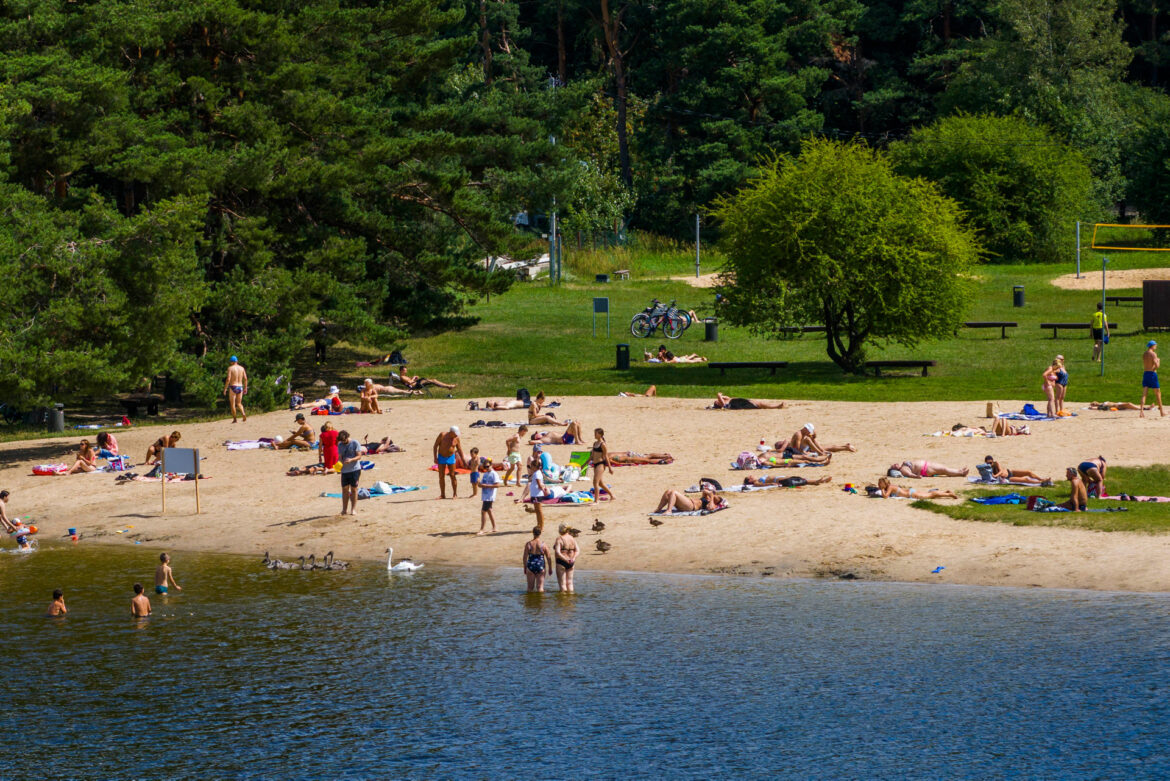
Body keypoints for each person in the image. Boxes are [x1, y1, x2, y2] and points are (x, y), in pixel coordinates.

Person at [779, 423, 856, 456]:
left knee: (826, 445)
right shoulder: (798, 435)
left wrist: (814, 436)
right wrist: (806, 452)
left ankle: (845, 447)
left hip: (806, 449)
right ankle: (821, 451)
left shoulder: (803, 434)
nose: (809, 432)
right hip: (801, 450)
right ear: (805, 429)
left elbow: (812, 440)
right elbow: (797, 449)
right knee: (810, 440)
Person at [433, 426, 464, 499]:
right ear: (451, 432)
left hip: (451, 457)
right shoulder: (442, 435)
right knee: (441, 476)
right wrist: (435, 457)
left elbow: (459, 449)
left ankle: (455, 494)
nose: (456, 435)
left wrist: (463, 459)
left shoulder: (456, 438)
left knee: (452, 475)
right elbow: (435, 446)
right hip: (441, 457)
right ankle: (442, 494)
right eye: (455, 434)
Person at [337, 430, 362, 514]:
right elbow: (340, 457)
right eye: (341, 441)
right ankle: (344, 509)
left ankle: (353, 509)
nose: (343, 442)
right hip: (345, 470)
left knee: (354, 489)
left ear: (347, 437)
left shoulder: (355, 443)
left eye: (344, 440)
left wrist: (351, 460)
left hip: (354, 469)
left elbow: (359, 456)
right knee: (344, 489)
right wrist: (338, 466)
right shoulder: (340, 445)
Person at [983, 456, 1052, 486]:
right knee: (1025, 479)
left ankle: (1041, 479)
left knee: (1028, 472)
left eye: (991, 462)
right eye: (988, 463)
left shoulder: (996, 463)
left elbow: (1001, 470)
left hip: (1010, 472)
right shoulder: (987, 468)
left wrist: (995, 475)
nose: (990, 464)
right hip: (1008, 478)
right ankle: (1040, 482)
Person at [654, 485, 725, 513]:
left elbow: (710, 507)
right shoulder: (707, 497)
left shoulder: (713, 502)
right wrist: (709, 494)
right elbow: (704, 491)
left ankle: (669, 510)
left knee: (673, 492)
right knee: (668, 491)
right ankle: (659, 508)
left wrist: (711, 498)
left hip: (691, 506)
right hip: (688, 503)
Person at [523, 526, 553, 593]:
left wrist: (525, 568)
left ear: (533, 533)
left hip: (531, 566)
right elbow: (548, 557)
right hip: (541, 566)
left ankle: (529, 603)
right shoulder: (543, 544)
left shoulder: (528, 544)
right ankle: (540, 603)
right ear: (540, 533)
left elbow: (525, 557)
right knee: (540, 588)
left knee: (530, 589)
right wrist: (550, 568)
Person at [589, 428, 615, 501]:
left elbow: (606, 456)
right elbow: (592, 456)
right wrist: (584, 464)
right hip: (595, 464)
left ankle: (596, 501)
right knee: (600, 483)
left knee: (595, 482)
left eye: (596, 433)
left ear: (600, 434)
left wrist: (610, 468)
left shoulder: (603, 444)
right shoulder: (595, 443)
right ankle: (612, 495)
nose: (594, 435)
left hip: (601, 464)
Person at [1140, 340, 1164, 418]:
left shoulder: (1144, 354)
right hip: (1152, 374)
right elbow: (1156, 366)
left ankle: (1141, 412)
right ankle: (1162, 412)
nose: (1156, 347)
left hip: (1146, 373)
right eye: (1155, 345)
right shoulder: (1153, 354)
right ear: (1153, 346)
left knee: (1144, 394)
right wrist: (1158, 361)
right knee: (1158, 393)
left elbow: (1147, 365)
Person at [875, 477, 957, 499]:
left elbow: (885, 497)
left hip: (911, 494)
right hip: (911, 491)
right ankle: (945, 491)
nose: (879, 485)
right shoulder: (891, 486)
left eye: (880, 484)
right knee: (929, 494)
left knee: (931, 495)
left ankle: (949, 494)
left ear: (884, 484)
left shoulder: (890, 488)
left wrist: (882, 489)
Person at [477, 459, 500, 535]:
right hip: (485, 495)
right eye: (485, 467)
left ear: (491, 465)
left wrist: (486, 485)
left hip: (490, 496)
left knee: (483, 511)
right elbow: (482, 484)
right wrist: (479, 484)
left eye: (487, 466)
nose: (486, 468)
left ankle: (482, 529)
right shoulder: (485, 474)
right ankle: (494, 527)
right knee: (489, 510)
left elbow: (497, 485)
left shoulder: (494, 474)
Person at [554, 524, 579, 593]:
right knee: (570, 583)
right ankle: (570, 601)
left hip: (561, 562)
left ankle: (563, 602)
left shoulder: (559, 539)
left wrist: (565, 559)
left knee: (562, 584)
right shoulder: (572, 538)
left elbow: (558, 552)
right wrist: (573, 558)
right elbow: (577, 550)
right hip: (571, 562)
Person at [223, 356, 248, 423]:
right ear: (237, 361)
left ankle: (235, 419)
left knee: (232, 404)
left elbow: (228, 379)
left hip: (233, 387)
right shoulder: (242, 368)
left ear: (231, 362)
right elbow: (245, 378)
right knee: (239, 403)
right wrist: (245, 387)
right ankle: (243, 413)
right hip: (240, 387)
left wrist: (225, 388)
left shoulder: (230, 368)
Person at [887, 460, 968, 478]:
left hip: (927, 465)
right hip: (926, 469)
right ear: (895, 470)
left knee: (944, 468)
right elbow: (909, 474)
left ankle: (960, 471)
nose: (894, 464)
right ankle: (961, 473)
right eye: (893, 466)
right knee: (944, 470)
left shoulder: (903, 465)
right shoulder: (903, 470)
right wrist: (917, 477)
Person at [712, 392, 785, 409]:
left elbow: (726, 397)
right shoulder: (724, 404)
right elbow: (720, 399)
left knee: (759, 403)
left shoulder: (727, 400)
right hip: (739, 404)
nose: (716, 401)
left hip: (740, 401)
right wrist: (719, 396)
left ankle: (776, 406)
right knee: (759, 404)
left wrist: (721, 396)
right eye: (716, 402)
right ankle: (776, 406)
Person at [743, 474, 833, 487]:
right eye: (750, 476)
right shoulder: (755, 482)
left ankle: (819, 481)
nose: (752, 475)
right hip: (780, 480)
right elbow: (758, 485)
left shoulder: (758, 479)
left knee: (800, 479)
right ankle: (819, 481)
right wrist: (771, 483)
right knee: (800, 480)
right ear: (750, 480)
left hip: (781, 479)